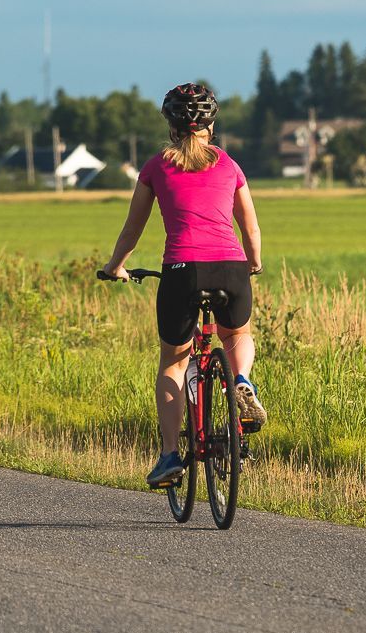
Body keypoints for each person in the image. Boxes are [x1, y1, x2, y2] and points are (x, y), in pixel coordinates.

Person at [100, 83, 266, 488]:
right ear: (211, 124)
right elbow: (250, 226)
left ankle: (171, 455)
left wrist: (115, 266)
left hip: (181, 270)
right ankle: (241, 380)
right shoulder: (229, 165)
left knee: (174, 363)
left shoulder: (157, 167)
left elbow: (131, 230)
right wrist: (254, 263)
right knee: (237, 333)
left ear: (172, 127)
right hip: (230, 267)